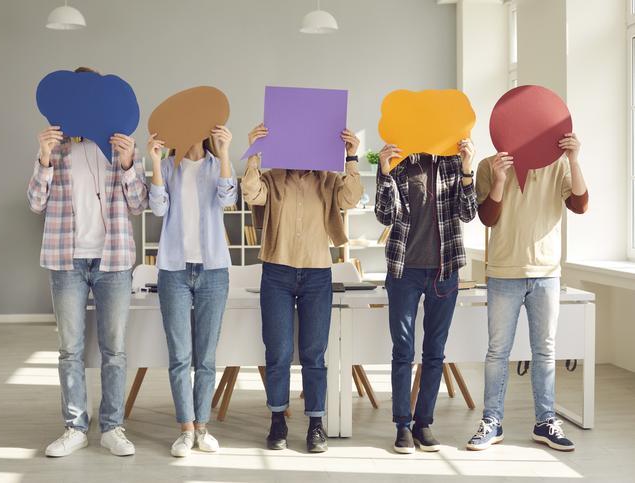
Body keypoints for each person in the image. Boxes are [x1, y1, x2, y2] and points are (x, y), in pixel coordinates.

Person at [27, 67, 148, 457]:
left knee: (114, 349)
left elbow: (138, 204)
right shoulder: (57, 151)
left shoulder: (120, 148)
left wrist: (130, 165)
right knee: (70, 349)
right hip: (66, 260)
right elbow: (35, 203)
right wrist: (43, 159)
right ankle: (75, 426)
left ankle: (113, 427)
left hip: (113, 260)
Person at [241, 123, 363, 453]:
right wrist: (253, 153)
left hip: (316, 274)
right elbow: (250, 192)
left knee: (313, 353)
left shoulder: (327, 179)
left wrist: (351, 155)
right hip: (277, 273)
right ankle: (278, 420)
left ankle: (316, 424)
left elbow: (351, 198)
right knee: (278, 351)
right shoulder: (273, 177)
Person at [467, 133, 588, 452]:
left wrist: (574, 160)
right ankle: (491, 421)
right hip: (504, 272)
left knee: (545, 352)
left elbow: (580, 205)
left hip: (546, 272)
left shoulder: (558, 164)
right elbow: (487, 217)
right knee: (497, 352)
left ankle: (545, 421)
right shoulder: (488, 166)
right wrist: (499, 180)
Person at [374, 140, 478, 454]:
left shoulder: (451, 161)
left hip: (444, 270)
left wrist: (467, 168)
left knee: (435, 352)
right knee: (403, 350)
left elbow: (468, 213)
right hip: (404, 270)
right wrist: (384, 172)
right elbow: (384, 215)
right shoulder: (403, 160)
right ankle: (402, 426)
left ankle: (424, 423)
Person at [148, 125, 236, 457]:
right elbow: (157, 208)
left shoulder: (216, 165)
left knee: (207, 358)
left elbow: (228, 199)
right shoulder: (169, 167)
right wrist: (155, 163)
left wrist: (225, 153)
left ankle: (203, 428)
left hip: (213, 270)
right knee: (180, 357)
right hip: (174, 270)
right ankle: (185, 429)